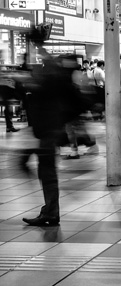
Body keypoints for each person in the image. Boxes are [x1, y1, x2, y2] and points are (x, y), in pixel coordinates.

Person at [22, 32, 84, 226]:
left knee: (47, 171)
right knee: (45, 169)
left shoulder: (49, 79)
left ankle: (51, 212)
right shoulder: (52, 76)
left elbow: (45, 78)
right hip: (47, 128)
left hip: (49, 128)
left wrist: (36, 46)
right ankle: (49, 210)